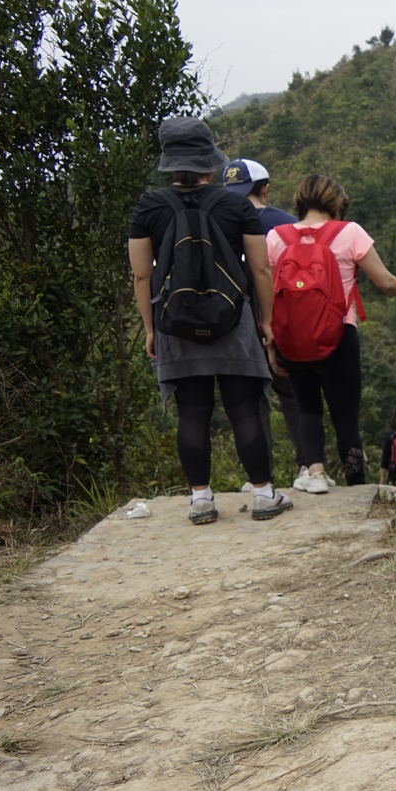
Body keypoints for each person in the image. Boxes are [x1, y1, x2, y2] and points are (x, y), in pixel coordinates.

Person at [128, 118, 291, 524]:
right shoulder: (236, 205)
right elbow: (261, 269)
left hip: (176, 323)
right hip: (233, 318)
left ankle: (200, 500)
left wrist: (150, 328)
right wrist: (266, 321)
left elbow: (142, 276)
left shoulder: (149, 207)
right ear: (209, 161)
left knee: (192, 412)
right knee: (243, 408)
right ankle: (263, 495)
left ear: (169, 162)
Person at [267, 174, 396, 489]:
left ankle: (315, 474)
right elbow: (385, 282)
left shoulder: (276, 237)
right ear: (337, 202)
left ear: (301, 201)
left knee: (307, 409)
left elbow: (271, 295)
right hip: (339, 337)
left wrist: (272, 343)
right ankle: (356, 484)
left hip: (292, 340)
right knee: (345, 417)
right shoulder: (349, 232)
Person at [225, 158, 317, 493]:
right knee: (293, 396)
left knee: (251, 401)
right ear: (265, 189)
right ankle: (310, 466)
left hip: (234, 324)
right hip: (283, 320)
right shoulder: (287, 225)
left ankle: (259, 477)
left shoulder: (220, 221)